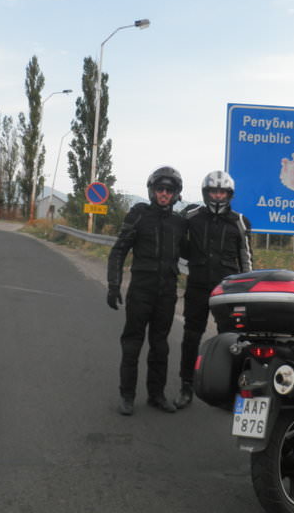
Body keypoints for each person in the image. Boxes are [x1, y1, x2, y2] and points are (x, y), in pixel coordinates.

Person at [107, 166, 187, 416]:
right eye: (160, 189)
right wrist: (113, 284)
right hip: (141, 292)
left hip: (166, 294)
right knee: (132, 344)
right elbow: (119, 250)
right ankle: (127, 395)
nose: (164, 193)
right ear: (152, 191)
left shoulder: (179, 223)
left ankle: (156, 395)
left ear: (176, 194)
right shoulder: (139, 215)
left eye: (169, 190)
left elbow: (193, 253)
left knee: (160, 346)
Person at [174, 170, 252, 409]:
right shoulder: (191, 215)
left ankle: (229, 391)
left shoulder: (240, 221)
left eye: (222, 192)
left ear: (229, 194)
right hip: (197, 286)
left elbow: (246, 259)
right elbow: (175, 238)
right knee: (191, 336)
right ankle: (186, 386)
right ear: (205, 193)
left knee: (231, 340)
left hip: (227, 291)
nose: (218, 196)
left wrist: (248, 290)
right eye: (213, 191)